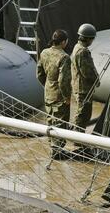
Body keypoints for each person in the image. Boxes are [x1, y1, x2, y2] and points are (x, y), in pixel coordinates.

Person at [37, 29, 71, 160]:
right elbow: (64, 81)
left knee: (50, 120)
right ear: (63, 42)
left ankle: (53, 148)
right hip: (59, 96)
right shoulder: (64, 57)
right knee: (60, 123)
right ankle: (57, 153)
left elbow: (39, 73)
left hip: (48, 93)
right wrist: (67, 97)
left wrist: (47, 86)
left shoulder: (44, 52)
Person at [71, 23, 99, 133]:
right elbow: (87, 72)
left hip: (78, 86)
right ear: (88, 39)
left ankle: (77, 137)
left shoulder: (76, 47)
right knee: (83, 116)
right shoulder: (83, 51)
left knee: (81, 113)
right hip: (83, 89)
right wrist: (96, 80)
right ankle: (78, 140)